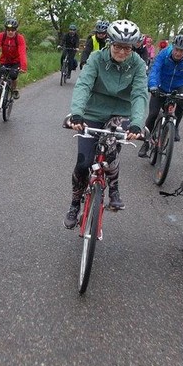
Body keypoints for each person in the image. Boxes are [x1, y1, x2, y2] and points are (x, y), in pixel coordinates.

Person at [64, 19, 148, 228]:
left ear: (133, 47)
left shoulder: (137, 64)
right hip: (93, 111)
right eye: (117, 46)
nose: (121, 51)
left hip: (120, 114)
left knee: (110, 154)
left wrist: (137, 123)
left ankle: (114, 188)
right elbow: (83, 85)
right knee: (83, 162)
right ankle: (75, 203)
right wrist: (77, 114)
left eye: (127, 48)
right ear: (110, 43)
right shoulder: (96, 58)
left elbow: (139, 94)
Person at [138, 33, 183, 157]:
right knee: (153, 114)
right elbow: (155, 70)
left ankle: (175, 127)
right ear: (173, 46)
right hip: (160, 86)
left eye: (181, 51)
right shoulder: (164, 54)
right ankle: (146, 143)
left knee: (181, 103)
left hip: (178, 86)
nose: (178, 53)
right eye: (176, 49)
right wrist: (153, 85)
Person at [0, 18, 28, 99]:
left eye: (13, 29)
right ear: (6, 29)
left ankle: (14, 89)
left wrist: (23, 66)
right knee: (0, 76)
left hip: (15, 61)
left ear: (16, 30)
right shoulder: (1, 36)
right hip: (4, 61)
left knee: (13, 75)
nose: (10, 32)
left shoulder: (19, 38)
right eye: (8, 29)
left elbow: (22, 52)